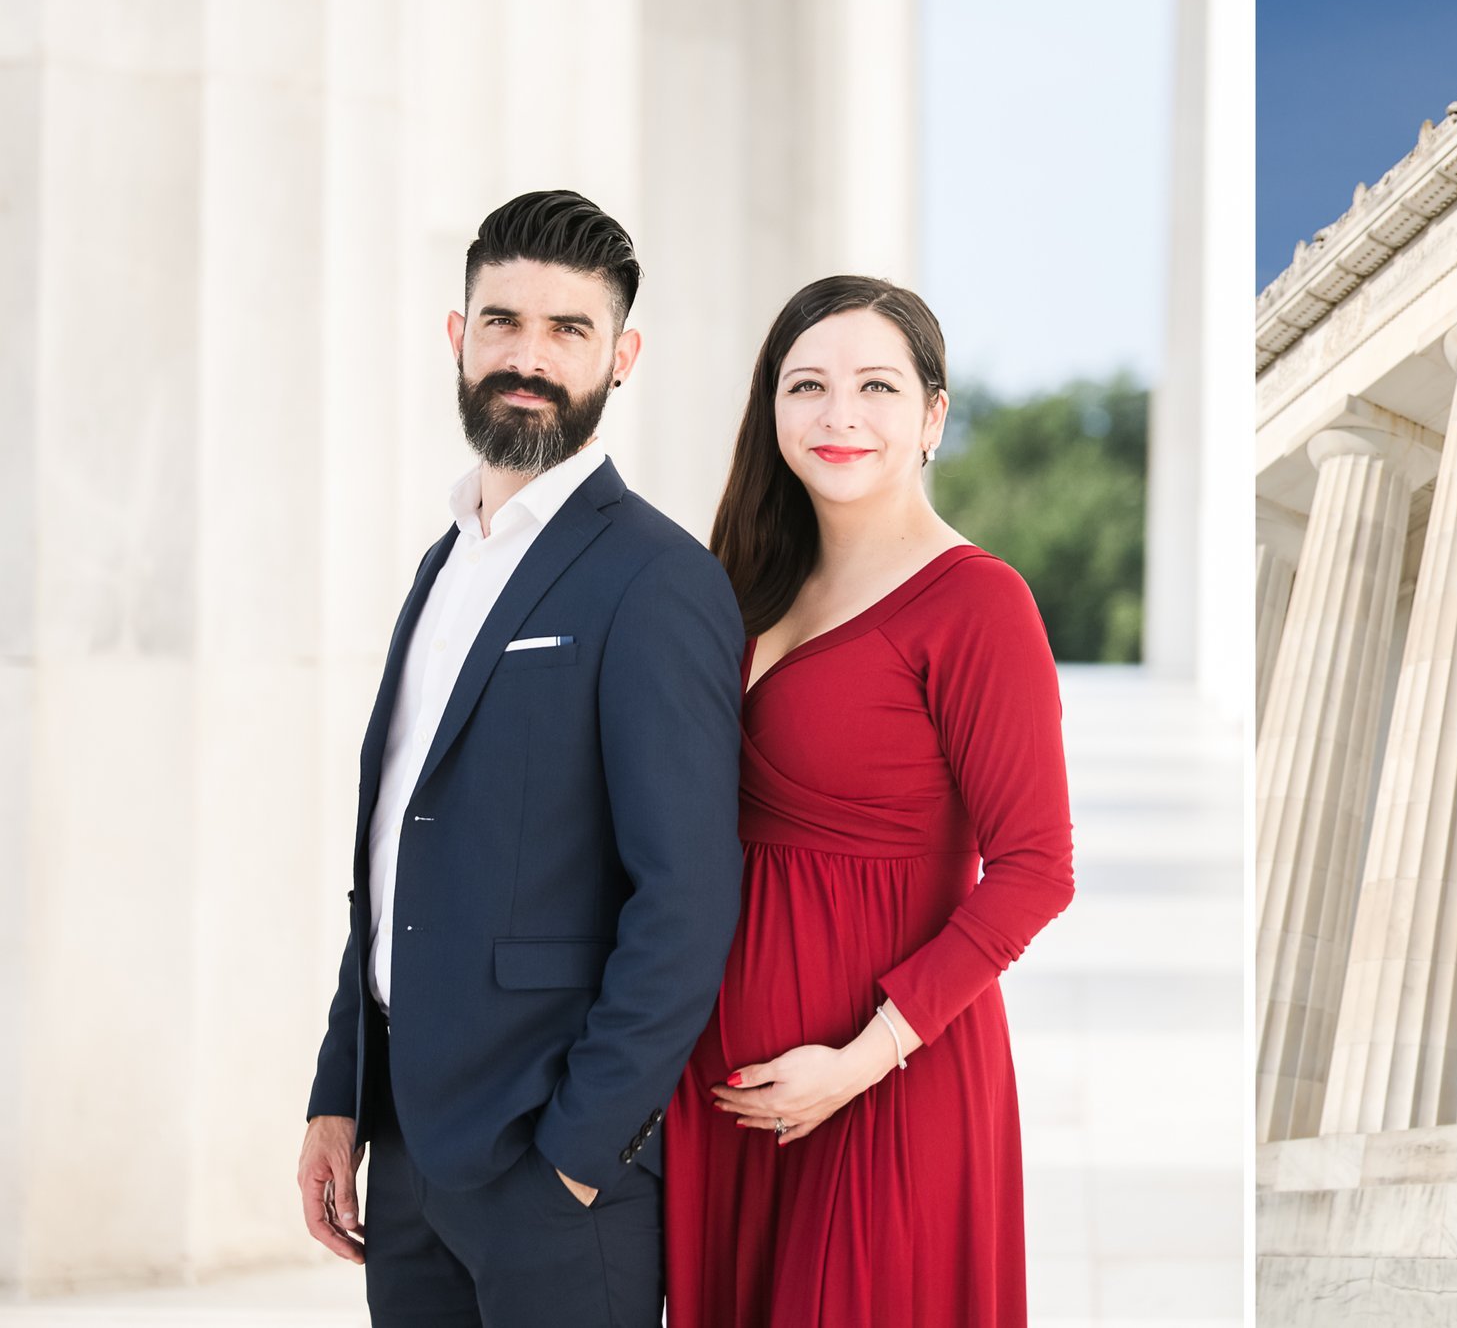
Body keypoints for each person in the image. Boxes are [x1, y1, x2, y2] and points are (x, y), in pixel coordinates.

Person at [294, 192, 747, 1326]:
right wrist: (338, 1098)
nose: (527, 357)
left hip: (551, 1175)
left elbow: (686, 902)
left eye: (568, 330)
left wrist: (581, 1153)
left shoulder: (658, 582)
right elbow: (394, 858)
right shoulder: (439, 569)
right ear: (457, 335)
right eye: (502, 322)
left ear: (621, 356)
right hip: (403, 1156)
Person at [664, 276, 1077, 1326]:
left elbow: (1036, 868)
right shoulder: (739, 585)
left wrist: (858, 1063)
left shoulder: (979, 602)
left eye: (876, 387)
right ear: (771, 412)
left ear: (933, 415)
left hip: (889, 1080)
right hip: (729, 1096)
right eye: (807, 386)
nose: (838, 415)